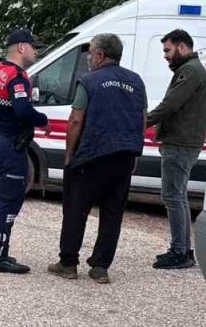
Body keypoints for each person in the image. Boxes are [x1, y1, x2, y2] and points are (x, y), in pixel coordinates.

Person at [47, 34, 146, 284]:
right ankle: (101, 267)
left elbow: (76, 119)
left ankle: (68, 263)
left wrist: (70, 155)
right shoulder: (136, 82)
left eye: (90, 53)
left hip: (91, 157)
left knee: (76, 210)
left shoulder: (90, 81)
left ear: (100, 55)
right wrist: (135, 150)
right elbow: (142, 119)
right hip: (123, 157)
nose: (89, 58)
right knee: (112, 214)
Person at [0, 29, 48, 274]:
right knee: (7, 203)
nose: (35, 51)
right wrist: (43, 119)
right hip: (10, 146)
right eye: (33, 46)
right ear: (21, 48)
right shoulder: (17, 77)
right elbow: (22, 111)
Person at [145, 29, 206, 270]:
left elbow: (171, 104)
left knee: (173, 196)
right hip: (183, 141)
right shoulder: (190, 70)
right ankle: (182, 248)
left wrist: (143, 122)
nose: (165, 56)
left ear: (182, 47)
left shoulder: (190, 71)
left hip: (181, 143)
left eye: (167, 50)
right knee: (177, 196)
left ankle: (179, 251)